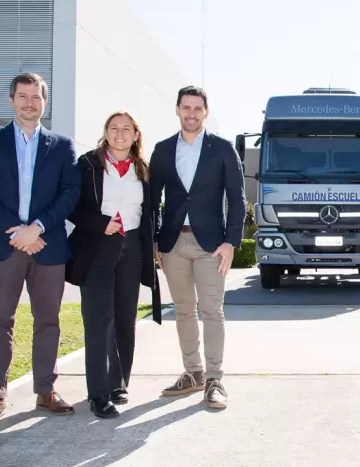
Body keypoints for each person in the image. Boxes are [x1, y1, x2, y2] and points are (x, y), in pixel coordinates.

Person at [0, 73, 81, 425]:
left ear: (45, 102)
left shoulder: (62, 145)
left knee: (48, 320)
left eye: (36, 97)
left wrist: (38, 228)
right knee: (0, 320)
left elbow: (69, 193)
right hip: (4, 246)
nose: (29, 103)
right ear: (12, 99)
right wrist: (17, 231)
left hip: (48, 245)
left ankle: (46, 391)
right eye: (22, 96)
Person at [149, 86, 246, 409]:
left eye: (197, 108)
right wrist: (154, 239)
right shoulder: (163, 150)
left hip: (211, 246)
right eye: (186, 107)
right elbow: (151, 201)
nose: (191, 114)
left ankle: (215, 379)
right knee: (182, 310)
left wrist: (231, 242)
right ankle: (193, 374)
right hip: (173, 244)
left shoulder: (222, 149)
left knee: (212, 311)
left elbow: (236, 197)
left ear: (206, 112)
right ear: (177, 109)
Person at [65, 112, 162, 419]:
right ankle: (97, 393)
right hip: (98, 248)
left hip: (132, 248)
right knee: (99, 320)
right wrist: (101, 223)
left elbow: (151, 212)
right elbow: (73, 208)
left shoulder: (144, 169)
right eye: (114, 128)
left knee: (124, 318)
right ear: (105, 133)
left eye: (126, 129)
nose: (120, 134)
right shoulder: (89, 165)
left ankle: (118, 382)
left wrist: (154, 243)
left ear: (136, 135)